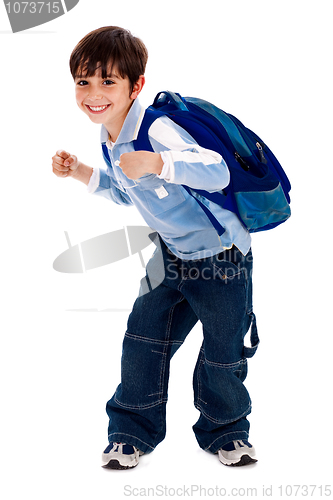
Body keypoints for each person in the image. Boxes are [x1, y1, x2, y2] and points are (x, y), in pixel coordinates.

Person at [52, 26, 259, 469]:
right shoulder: (109, 137)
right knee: (143, 340)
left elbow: (216, 170)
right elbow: (130, 193)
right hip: (169, 256)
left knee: (223, 350)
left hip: (220, 257)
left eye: (108, 82)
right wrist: (82, 172)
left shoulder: (156, 128)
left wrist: (160, 161)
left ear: (136, 85)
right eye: (83, 81)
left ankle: (227, 433)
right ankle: (129, 433)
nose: (94, 93)